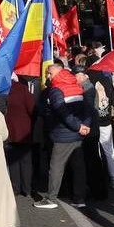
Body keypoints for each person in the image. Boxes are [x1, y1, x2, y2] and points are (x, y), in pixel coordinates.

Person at [33, 63, 92, 209]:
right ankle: (79, 198)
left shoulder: (56, 90)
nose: (47, 76)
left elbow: (62, 112)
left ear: (56, 74)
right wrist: (84, 126)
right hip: (78, 133)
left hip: (63, 134)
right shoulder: (77, 86)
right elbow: (87, 109)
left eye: (49, 73)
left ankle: (51, 198)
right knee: (78, 166)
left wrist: (78, 126)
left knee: (56, 167)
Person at [5, 77, 36, 198]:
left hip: (9, 129)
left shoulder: (2, 91)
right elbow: (32, 109)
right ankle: (27, 188)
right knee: (26, 161)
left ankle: (15, 187)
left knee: (13, 161)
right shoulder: (22, 90)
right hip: (24, 129)